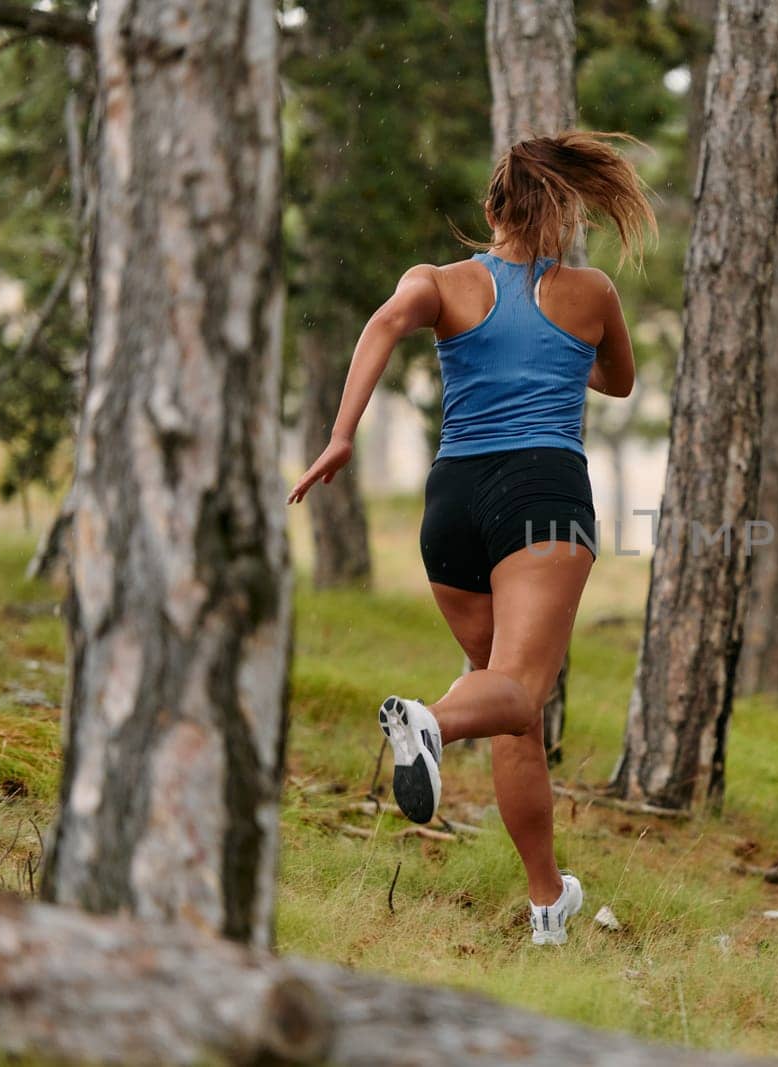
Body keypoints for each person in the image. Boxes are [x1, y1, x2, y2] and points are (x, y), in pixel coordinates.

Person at [287, 131, 654, 946]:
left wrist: (343, 435)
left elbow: (384, 325)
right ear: (563, 217)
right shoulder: (590, 292)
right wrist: (565, 356)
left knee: (510, 708)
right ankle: (430, 721)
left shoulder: (437, 282)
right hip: (542, 492)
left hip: (452, 498)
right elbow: (619, 381)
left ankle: (546, 902)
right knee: (517, 690)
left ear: (491, 209)